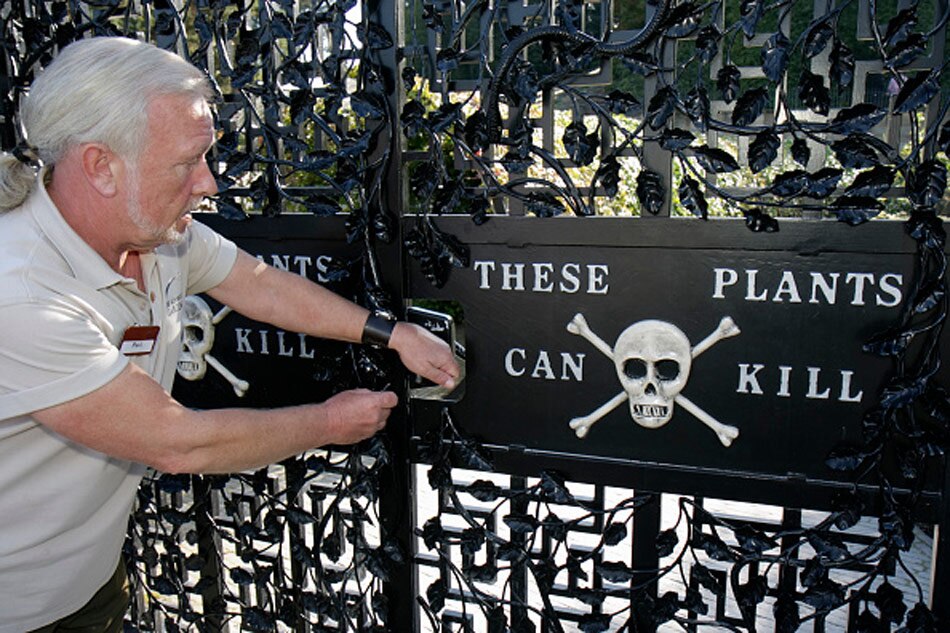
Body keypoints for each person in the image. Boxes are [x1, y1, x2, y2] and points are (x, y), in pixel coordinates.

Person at [0, 36, 459, 632]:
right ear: (101, 166)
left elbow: (257, 283)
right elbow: (177, 442)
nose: (209, 182)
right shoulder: (23, 294)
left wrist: (389, 332)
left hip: (87, 585)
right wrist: (329, 423)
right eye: (186, 162)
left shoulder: (157, 234)